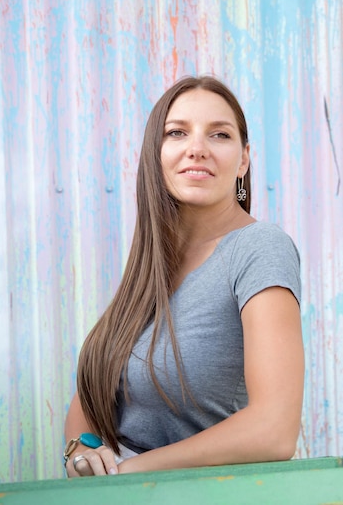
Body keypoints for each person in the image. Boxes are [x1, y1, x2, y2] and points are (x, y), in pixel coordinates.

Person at [64, 75, 304, 477]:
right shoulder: (150, 266)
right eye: (177, 133)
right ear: (156, 153)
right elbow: (90, 400)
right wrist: (82, 456)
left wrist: (126, 473)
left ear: (243, 159)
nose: (197, 149)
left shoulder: (259, 247)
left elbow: (274, 430)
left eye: (219, 135)